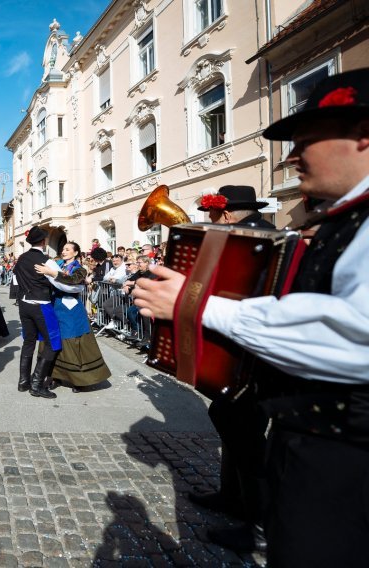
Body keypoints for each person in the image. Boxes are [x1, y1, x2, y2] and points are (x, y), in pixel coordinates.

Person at [132, 68, 369, 566]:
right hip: (310, 435)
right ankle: (245, 507)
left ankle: (252, 516)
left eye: (305, 139)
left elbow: (353, 333)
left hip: (347, 454)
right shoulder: (341, 221)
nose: (291, 155)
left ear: (363, 136)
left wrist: (192, 304)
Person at [189, 184, 277, 552]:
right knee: (230, 419)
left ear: (224, 215)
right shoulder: (249, 233)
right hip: (247, 353)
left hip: (259, 358)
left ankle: (259, 525)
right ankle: (231, 495)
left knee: (243, 431)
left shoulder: (257, 239)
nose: (210, 222)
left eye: (211, 216)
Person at [35, 241, 111, 392]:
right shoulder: (58, 264)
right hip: (55, 307)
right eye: (63, 249)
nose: (64, 251)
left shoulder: (80, 269)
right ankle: (54, 376)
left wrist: (52, 273)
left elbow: (74, 281)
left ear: (76, 253)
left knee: (72, 342)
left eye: (67, 249)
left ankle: (80, 379)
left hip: (71, 312)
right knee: (53, 343)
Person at [13, 226, 61, 398]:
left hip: (25, 303)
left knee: (28, 342)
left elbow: (16, 279)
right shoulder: (46, 261)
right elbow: (61, 281)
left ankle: (23, 381)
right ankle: (36, 384)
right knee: (52, 342)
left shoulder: (21, 258)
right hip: (41, 303)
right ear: (43, 241)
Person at [198, 185, 274, 228]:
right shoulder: (270, 231)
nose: (212, 226)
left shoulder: (237, 242)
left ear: (226, 217)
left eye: (213, 222)